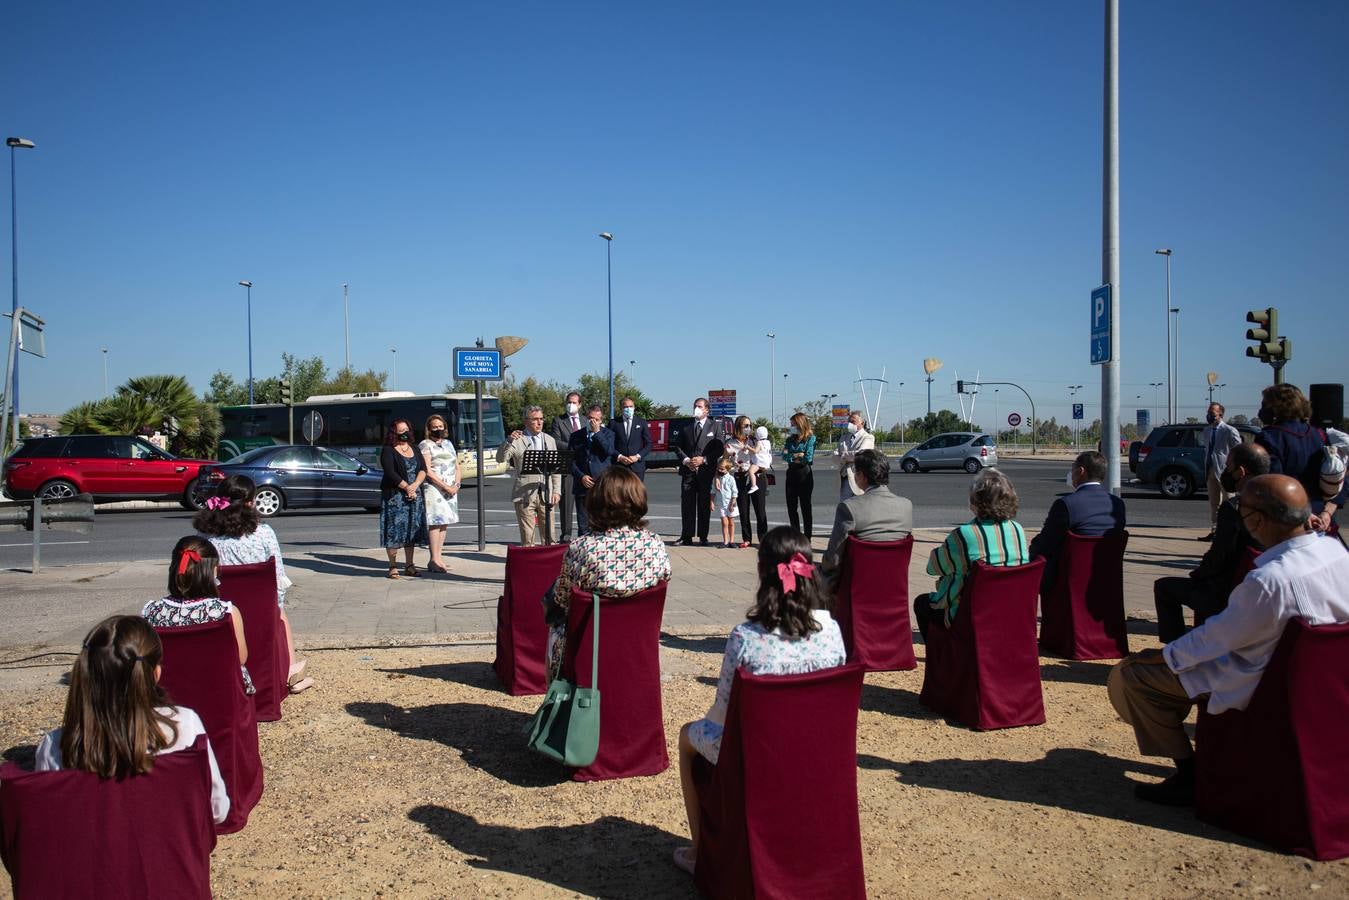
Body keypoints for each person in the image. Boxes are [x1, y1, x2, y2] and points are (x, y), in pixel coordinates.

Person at [1108, 474, 1349, 806]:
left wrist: (1162, 657)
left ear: (1257, 520)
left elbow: (1217, 638)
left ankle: (1188, 774)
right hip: (1321, 680)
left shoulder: (1270, 579)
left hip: (1263, 682)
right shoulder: (1335, 551)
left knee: (1134, 678)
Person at [672, 526, 847, 876]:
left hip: (757, 754)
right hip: (816, 750)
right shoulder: (832, 630)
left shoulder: (746, 638)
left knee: (687, 736)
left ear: (760, 572)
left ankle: (699, 851)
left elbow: (721, 717)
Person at [36, 615, 231, 825]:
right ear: (155, 674)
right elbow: (217, 810)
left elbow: (50, 818)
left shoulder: (55, 746)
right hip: (166, 853)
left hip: (89, 855)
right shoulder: (184, 725)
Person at [543, 467, 671, 681]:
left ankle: (557, 699)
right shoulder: (655, 544)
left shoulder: (583, 548)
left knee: (553, 619)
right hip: (638, 641)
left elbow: (562, 600)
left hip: (591, 645)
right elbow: (664, 578)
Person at [195, 474, 312, 693]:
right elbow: (278, 577)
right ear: (250, 502)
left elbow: (203, 576)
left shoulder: (206, 536)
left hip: (222, 605)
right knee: (282, 616)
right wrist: (275, 607)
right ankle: (291, 676)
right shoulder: (264, 533)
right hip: (260, 607)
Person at [1153, 443, 1270, 643]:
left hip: (1225, 593)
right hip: (1263, 590)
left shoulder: (1234, 509)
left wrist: (1198, 575)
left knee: (1164, 588)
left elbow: (1219, 556)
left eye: (1228, 467)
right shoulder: (1279, 502)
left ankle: (1175, 653)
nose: (1226, 472)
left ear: (1241, 471)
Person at [913, 467, 1030, 640]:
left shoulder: (965, 534)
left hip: (972, 615)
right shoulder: (1017, 530)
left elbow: (932, 568)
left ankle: (943, 657)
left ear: (976, 501)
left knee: (922, 603)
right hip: (1011, 611)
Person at [142, 536, 254, 695]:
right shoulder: (226, 613)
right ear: (212, 571)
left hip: (169, 693)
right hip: (217, 692)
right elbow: (241, 658)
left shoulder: (152, 611)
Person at [1027, 450, 1127, 596]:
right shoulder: (1118, 504)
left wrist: (1031, 551)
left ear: (1081, 471)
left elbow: (1046, 543)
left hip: (1071, 580)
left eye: (1072, 468)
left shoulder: (1066, 504)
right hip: (1107, 578)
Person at [1255, 383, 1345, 534]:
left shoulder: (1269, 437)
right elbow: (1341, 478)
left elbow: (1274, 485)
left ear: (1276, 407)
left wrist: (1302, 515)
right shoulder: (1321, 435)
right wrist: (1327, 512)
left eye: (1265, 404)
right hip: (1321, 521)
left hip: (1288, 523)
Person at [821, 449, 913, 579]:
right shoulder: (906, 506)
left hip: (857, 586)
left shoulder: (849, 507)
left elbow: (832, 559)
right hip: (894, 584)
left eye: (855, 472)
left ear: (862, 476)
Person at [496, 405, 562, 546]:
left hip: (546, 492)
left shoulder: (549, 440)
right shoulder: (518, 439)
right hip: (525, 493)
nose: (539, 422)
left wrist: (557, 491)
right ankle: (529, 563)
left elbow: (555, 469)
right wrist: (508, 441)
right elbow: (500, 458)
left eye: (541, 419)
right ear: (526, 421)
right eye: (535, 419)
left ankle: (548, 561)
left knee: (550, 535)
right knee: (528, 536)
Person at [377, 419, 428, 578]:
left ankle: (409, 565)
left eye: (407, 429)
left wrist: (415, 485)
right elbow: (390, 473)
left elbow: (423, 469)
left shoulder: (414, 448)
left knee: (411, 531)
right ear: (394, 433)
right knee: (394, 532)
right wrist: (407, 487)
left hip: (414, 496)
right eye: (401, 430)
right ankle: (392, 566)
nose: (405, 433)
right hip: (395, 497)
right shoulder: (388, 450)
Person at [674, 398, 724, 546]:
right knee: (687, 504)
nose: (697, 409)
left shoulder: (714, 426)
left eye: (700, 406)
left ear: (707, 410)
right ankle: (686, 536)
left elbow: (719, 448)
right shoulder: (686, 427)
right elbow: (678, 447)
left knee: (703, 504)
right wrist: (686, 460)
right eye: (695, 406)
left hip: (705, 471)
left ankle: (703, 536)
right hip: (688, 471)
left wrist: (704, 460)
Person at [419, 413, 461, 572]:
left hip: (451, 489)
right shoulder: (425, 445)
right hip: (435, 489)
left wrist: (456, 485)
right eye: (434, 427)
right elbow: (427, 471)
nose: (438, 429)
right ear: (429, 429)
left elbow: (457, 466)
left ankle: (439, 557)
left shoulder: (449, 444)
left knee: (444, 523)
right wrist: (445, 486)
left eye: (440, 426)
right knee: (435, 524)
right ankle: (433, 560)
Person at [569, 405, 615, 537]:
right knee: (583, 526)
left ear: (601, 420)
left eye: (596, 419)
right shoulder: (576, 436)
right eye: (590, 418)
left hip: (601, 485)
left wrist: (597, 433)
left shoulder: (608, 434)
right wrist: (581, 476)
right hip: (582, 485)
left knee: (601, 524)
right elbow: (570, 461)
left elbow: (609, 452)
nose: (592, 422)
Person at [724, 416, 768, 548]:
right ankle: (747, 538)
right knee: (743, 510)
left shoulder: (755, 440)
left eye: (749, 425)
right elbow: (725, 461)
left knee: (760, 510)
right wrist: (727, 466)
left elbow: (765, 456)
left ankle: (763, 538)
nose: (748, 428)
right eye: (745, 426)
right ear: (738, 427)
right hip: (740, 477)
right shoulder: (730, 443)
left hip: (758, 475)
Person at [1200, 402, 1242, 541]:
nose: (1209, 416)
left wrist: (1233, 469)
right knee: (1214, 503)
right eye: (1208, 412)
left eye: (1212, 413)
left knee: (1229, 502)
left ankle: (1229, 532)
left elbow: (1238, 451)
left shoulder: (1229, 430)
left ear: (1220, 415)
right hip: (1210, 470)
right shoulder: (1206, 431)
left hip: (1225, 472)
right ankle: (1214, 531)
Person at [550, 392, 586, 540]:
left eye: (574, 402)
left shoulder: (585, 420)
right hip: (567, 467)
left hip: (584, 468)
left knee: (584, 505)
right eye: (568, 402)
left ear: (580, 405)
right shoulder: (559, 420)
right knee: (566, 505)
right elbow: (556, 441)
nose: (570, 405)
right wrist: (575, 447)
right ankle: (566, 535)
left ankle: (584, 534)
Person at [782, 412, 817, 538]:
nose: (792, 427)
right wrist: (796, 455)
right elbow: (784, 455)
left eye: (793, 424)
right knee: (791, 508)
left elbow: (808, 457)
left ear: (800, 424)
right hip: (791, 474)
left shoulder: (810, 439)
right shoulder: (789, 440)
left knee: (805, 507)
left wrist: (797, 456)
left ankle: (807, 537)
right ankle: (796, 536)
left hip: (804, 474)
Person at [609, 396, 652, 481]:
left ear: (634, 407)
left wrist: (637, 456)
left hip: (637, 467)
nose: (628, 409)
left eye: (631, 406)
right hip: (619, 466)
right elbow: (609, 444)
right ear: (621, 408)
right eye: (625, 407)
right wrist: (620, 456)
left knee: (636, 493)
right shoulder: (613, 423)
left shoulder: (641, 422)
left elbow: (649, 444)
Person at [835, 411, 875, 500]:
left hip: (859, 480)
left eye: (853, 422)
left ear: (862, 422)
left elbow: (861, 454)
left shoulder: (868, 437)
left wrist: (843, 456)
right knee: (845, 507)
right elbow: (834, 456)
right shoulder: (843, 437)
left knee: (860, 508)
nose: (850, 424)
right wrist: (848, 457)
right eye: (849, 422)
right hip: (844, 478)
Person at [712, 456, 739, 548]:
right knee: (724, 522)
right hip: (721, 504)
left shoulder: (731, 479)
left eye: (722, 469)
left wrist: (732, 503)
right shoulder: (716, 479)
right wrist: (711, 502)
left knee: (731, 522)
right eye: (718, 468)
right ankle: (725, 541)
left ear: (728, 469)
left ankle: (731, 540)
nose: (720, 470)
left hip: (731, 503)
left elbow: (735, 492)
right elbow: (713, 491)